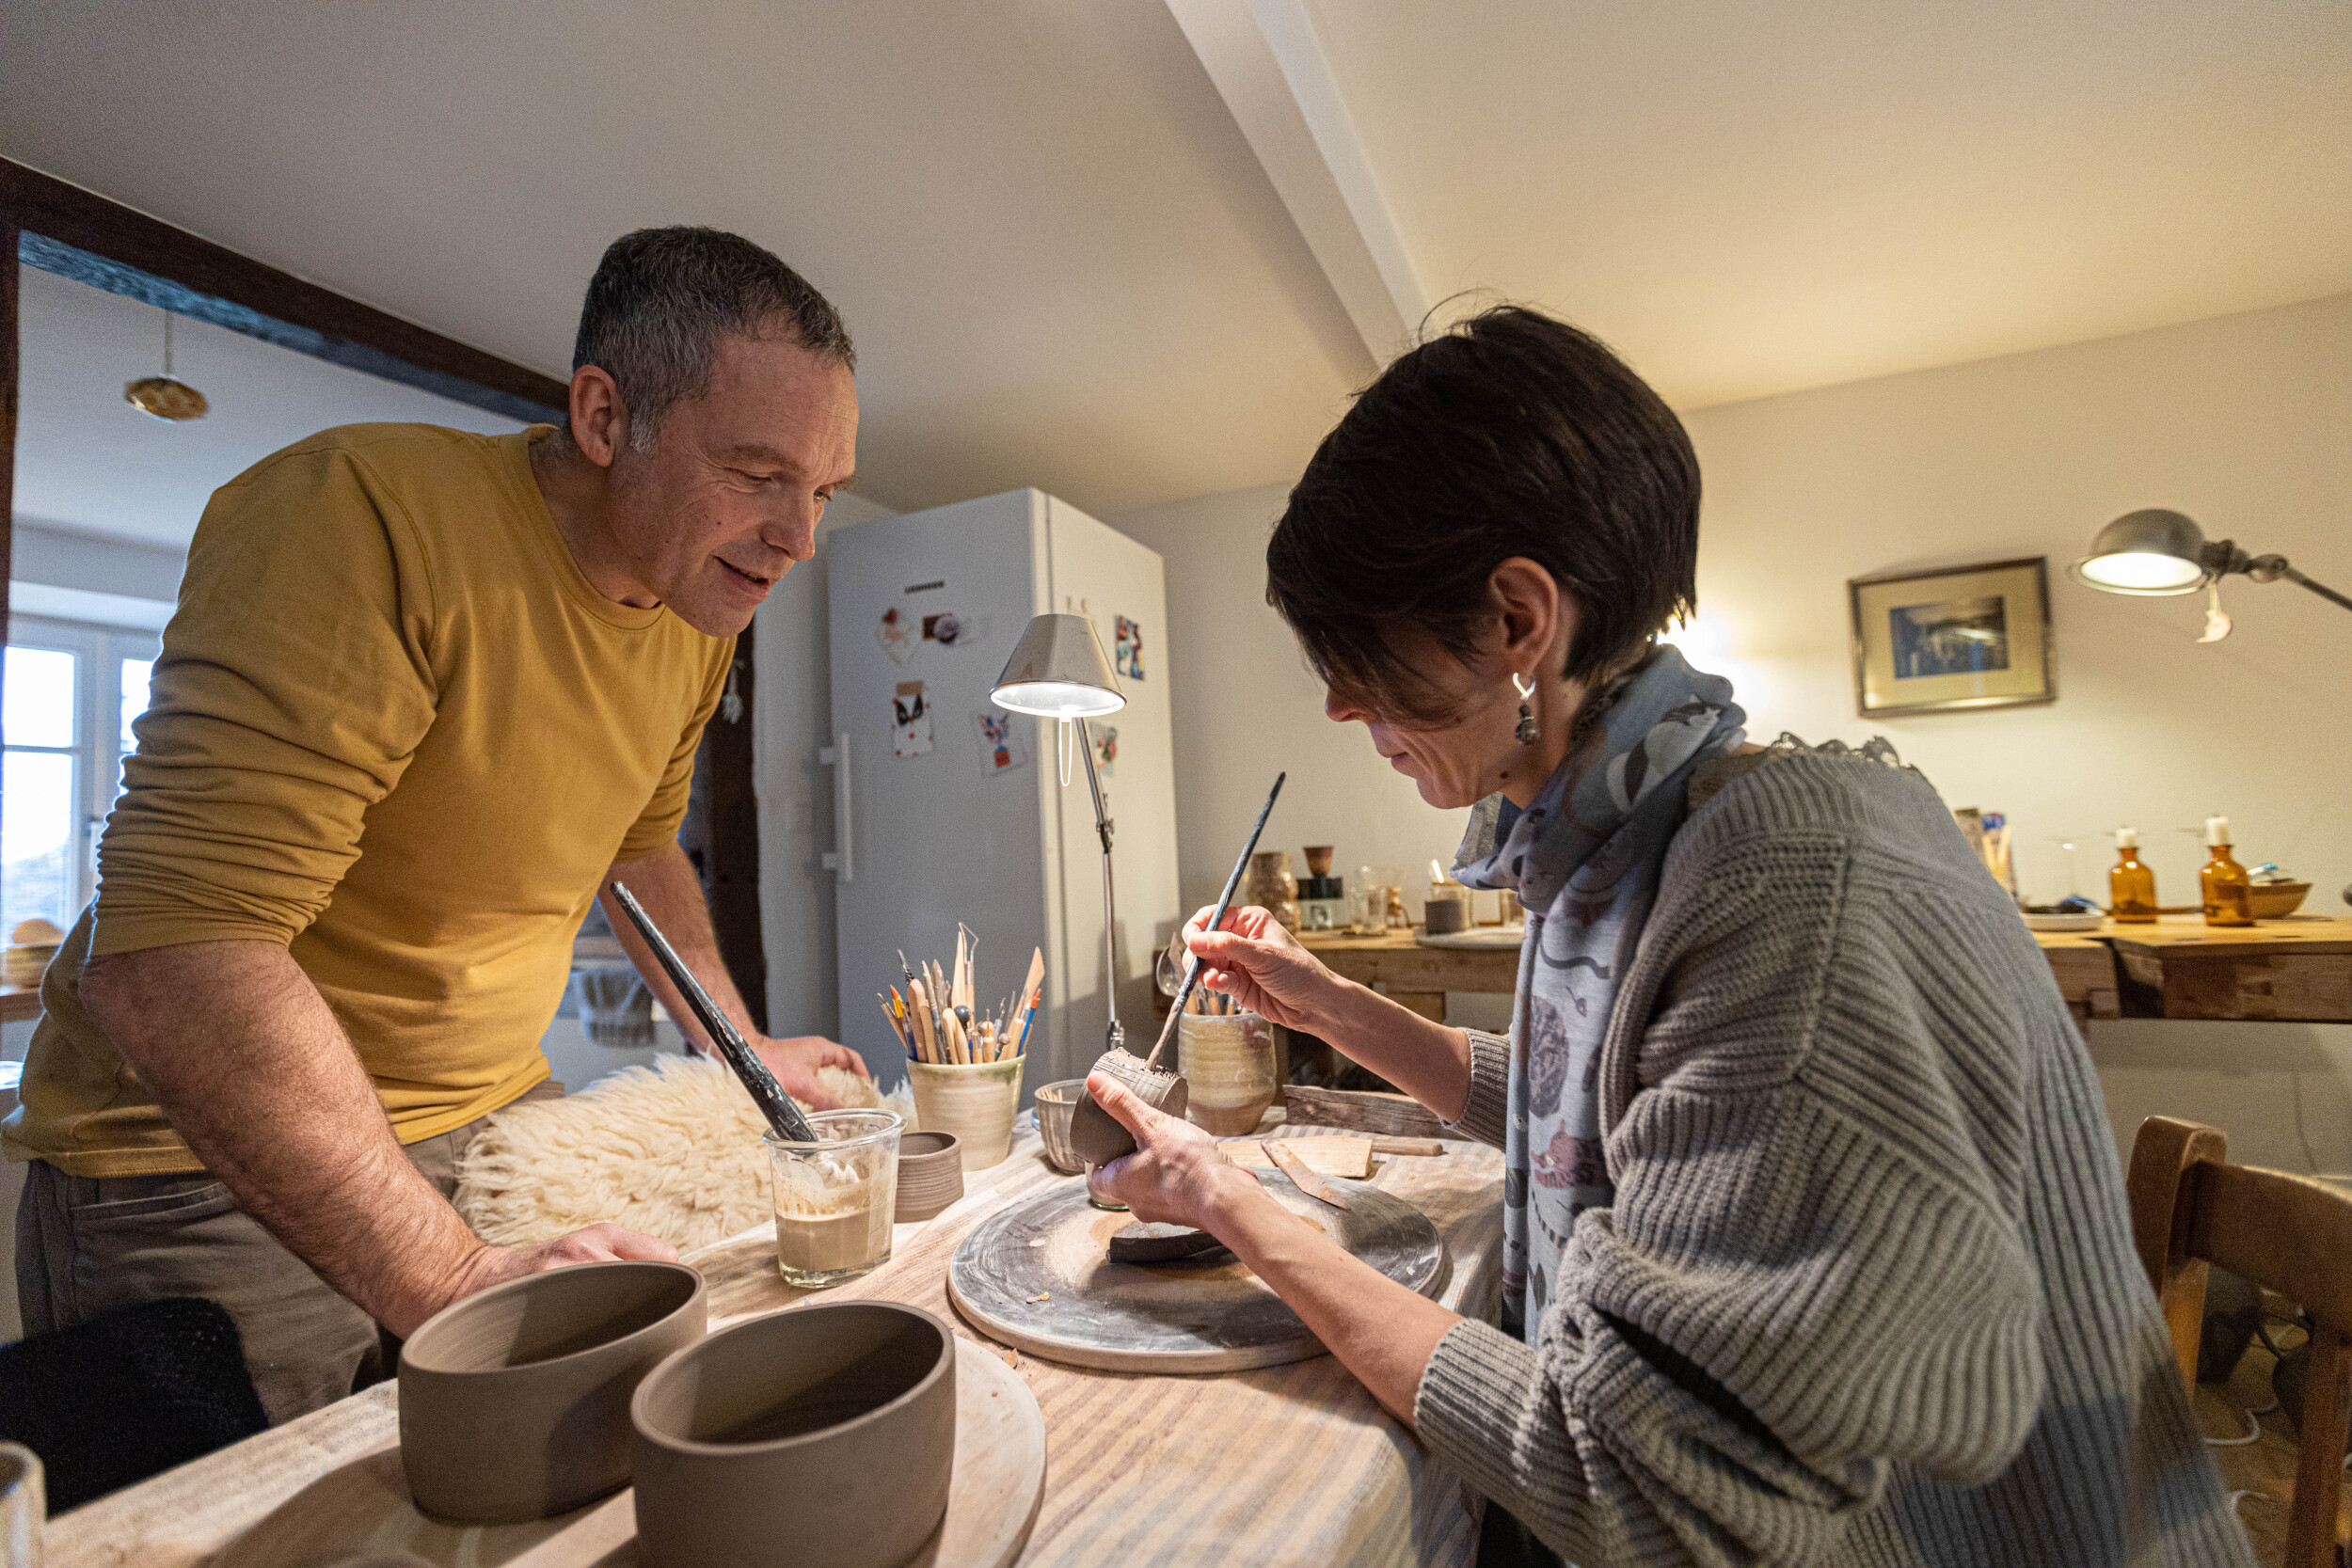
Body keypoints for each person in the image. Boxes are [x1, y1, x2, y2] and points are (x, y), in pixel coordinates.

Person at [1087, 308, 2252, 1566]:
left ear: (1520, 622)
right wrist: (1331, 1005)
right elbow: (1614, 1116)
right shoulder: (1634, 831)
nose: (1338, 699)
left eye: (1360, 650)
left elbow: (1644, 1487)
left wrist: (1239, 1207)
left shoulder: (1785, 893)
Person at [6, 227, 869, 1424]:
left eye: (821, 490)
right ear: (607, 417)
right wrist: (457, 1280)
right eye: (758, 472)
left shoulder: (695, 613)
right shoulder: (360, 514)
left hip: (494, 1128)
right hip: (201, 1169)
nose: (800, 534)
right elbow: (169, 957)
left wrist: (739, 1040)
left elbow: (636, 845)